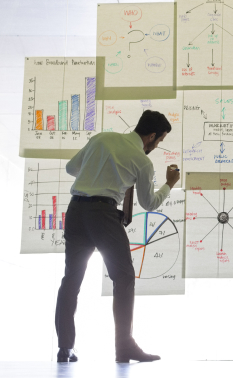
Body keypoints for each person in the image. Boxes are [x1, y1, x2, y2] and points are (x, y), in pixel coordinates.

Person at [55, 110, 180, 363]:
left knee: (71, 280)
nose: (157, 146)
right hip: (103, 214)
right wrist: (169, 183)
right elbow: (150, 203)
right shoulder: (141, 161)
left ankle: (65, 348)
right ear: (152, 136)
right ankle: (124, 348)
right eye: (160, 141)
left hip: (76, 211)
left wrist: (98, 172)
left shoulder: (102, 139)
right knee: (123, 277)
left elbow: (71, 168)